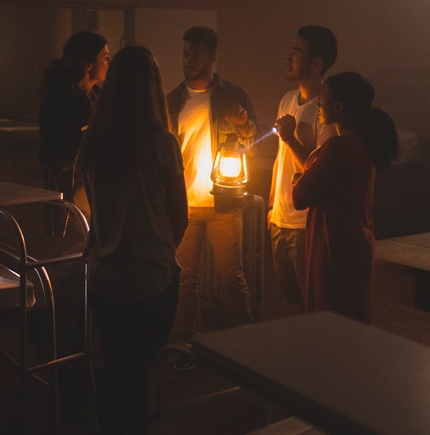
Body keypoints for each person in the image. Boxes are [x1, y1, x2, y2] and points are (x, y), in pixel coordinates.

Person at [77, 45, 188, 435]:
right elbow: (179, 217)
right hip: (152, 277)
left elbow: (95, 209)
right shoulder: (162, 144)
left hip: (105, 275)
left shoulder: (92, 142)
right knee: (147, 371)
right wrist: (156, 246)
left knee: (112, 367)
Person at [167, 26, 258, 369]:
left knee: (232, 277)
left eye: (196, 54)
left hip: (223, 203)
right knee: (184, 279)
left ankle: (244, 350)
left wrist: (244, 124)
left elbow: (254, 141)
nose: (189, 60)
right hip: (185, 204)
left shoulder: (233, 96)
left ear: (212, 57)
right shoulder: (173, 100)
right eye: (185, 53)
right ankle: (187, 348)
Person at [292, 72, 399, 323]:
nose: (318, 105)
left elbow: (300, 196)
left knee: (329, 320)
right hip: (356, 241)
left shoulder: (338, 148)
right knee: (352, 321)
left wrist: (298, 178)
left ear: (338, 107)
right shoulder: (362, 143)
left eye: (322, 99)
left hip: (334, 245)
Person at [269, 25, 338, 311]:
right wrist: (272, 206)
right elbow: (280, 160)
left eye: (297, 52)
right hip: (280, 219)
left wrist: (290, 138)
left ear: (316, 63)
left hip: (304, 223)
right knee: (291, 298)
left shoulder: (325, 111)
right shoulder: (287, 99)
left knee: (313, 304)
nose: (289, 58)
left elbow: (319, 174)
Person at [38, 31, 110, 233]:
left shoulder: (98, 97)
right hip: (69, 196)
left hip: (92, 191)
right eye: (105, 58)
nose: (109, 63)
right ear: (88, 65)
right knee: (71, 245)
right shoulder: (61, 103)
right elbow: (53, 156)